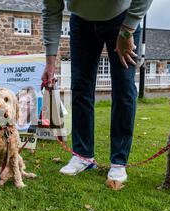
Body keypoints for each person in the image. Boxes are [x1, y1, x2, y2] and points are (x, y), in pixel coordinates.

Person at [41, 0, 153, 183]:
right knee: (80, 87)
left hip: (122, 19)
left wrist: (128, 30)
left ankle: (118, 162)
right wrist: (50, 64)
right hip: (80, 23)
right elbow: (51, 12)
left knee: (124, 87)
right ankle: (83, 155)